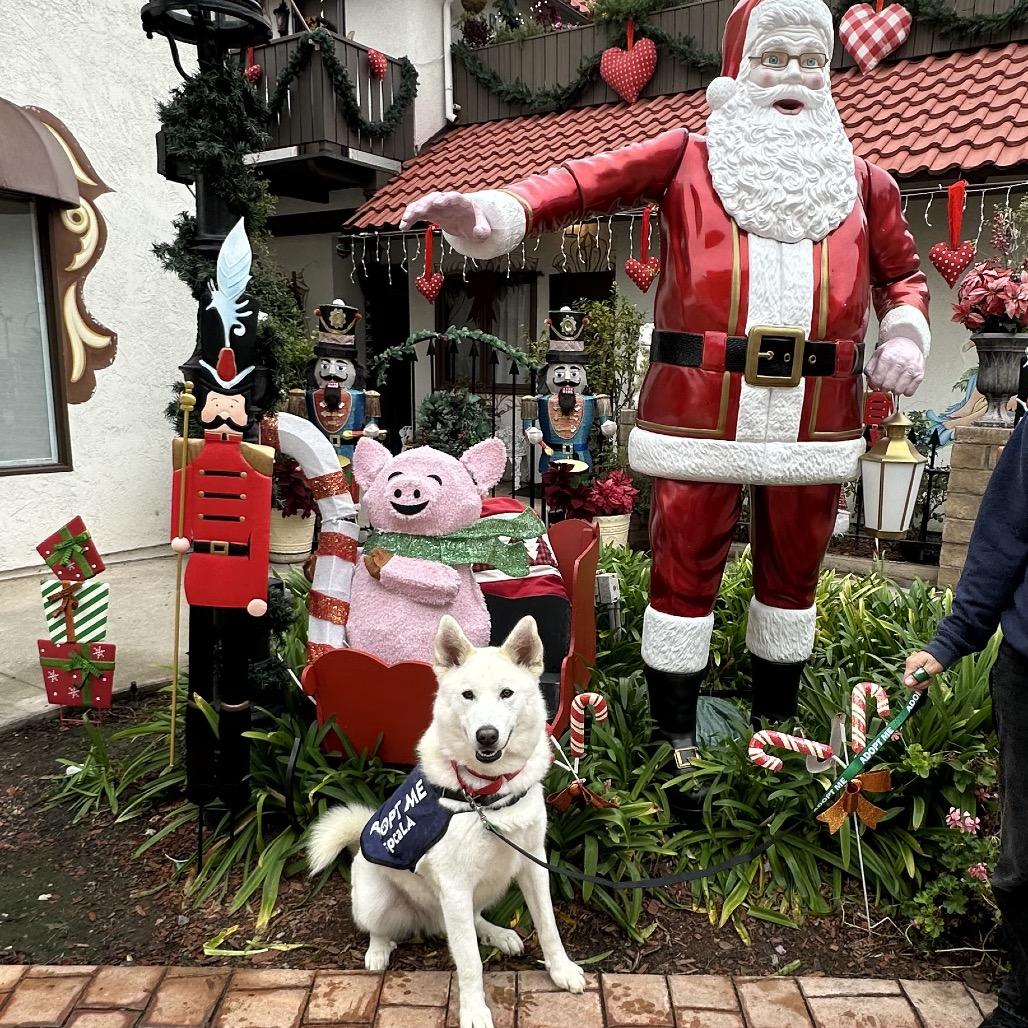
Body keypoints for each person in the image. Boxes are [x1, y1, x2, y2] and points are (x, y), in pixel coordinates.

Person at [401, 0, 931, 809]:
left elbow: (905, 276)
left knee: (794, 579)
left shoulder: (864, 184)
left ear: (827, 74)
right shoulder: (688, 159)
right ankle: (675, 741)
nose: (792, 77)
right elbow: (583, 180)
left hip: (815, 421)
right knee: (683, 574)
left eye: (808, 61)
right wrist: (497, 211)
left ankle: (773, 729)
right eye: (774, 58)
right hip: (698, 415)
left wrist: (904, 333)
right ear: (737, 67)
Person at [905, 418, 1028, 1028]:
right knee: (1021, 866)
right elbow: (1003, 541)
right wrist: (949, 642)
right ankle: (1022, 1001)